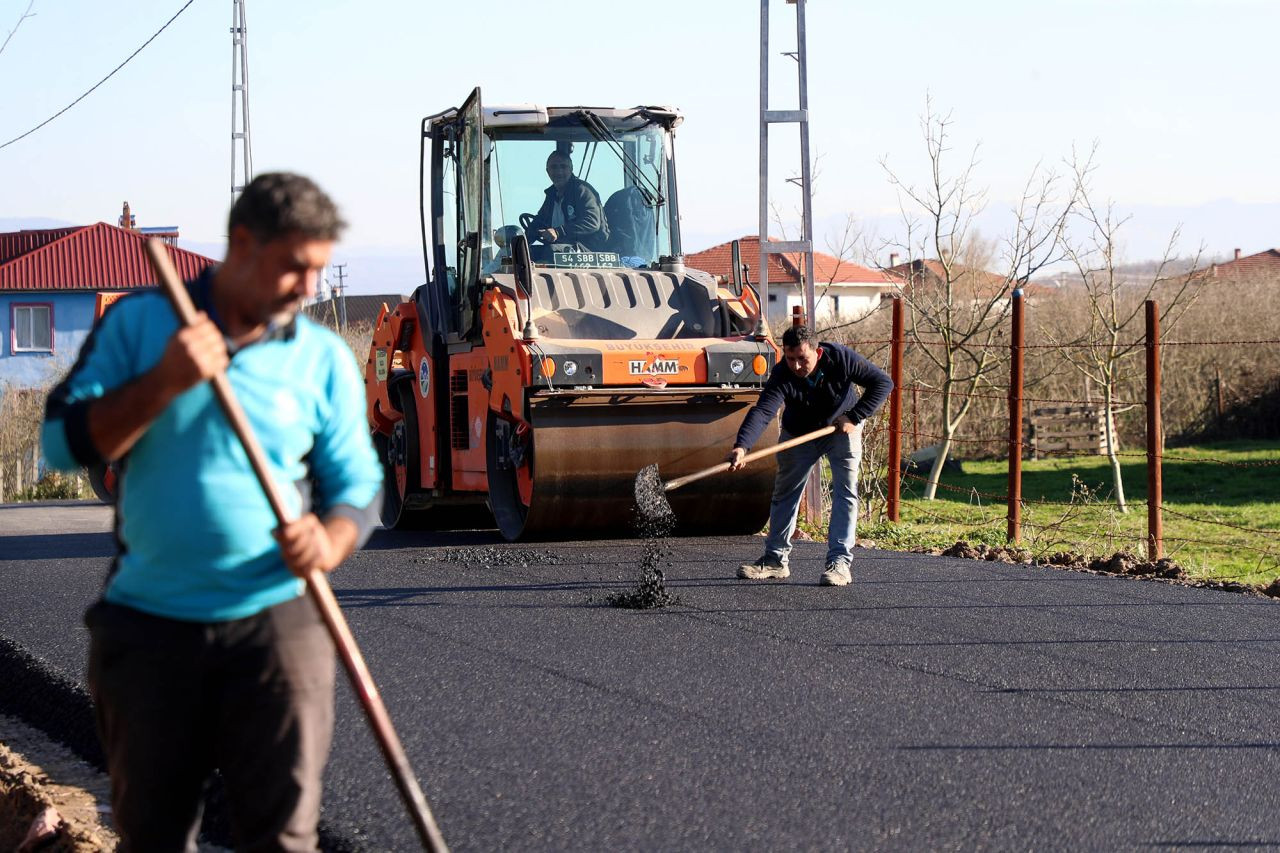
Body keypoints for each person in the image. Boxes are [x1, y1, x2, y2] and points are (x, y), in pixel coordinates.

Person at [42, 172, 382, 850]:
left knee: (284, 838)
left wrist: (332, 537)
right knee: (154, 835)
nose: (308, 289)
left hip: (278, 626)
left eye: (317, 270)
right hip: (150, 631)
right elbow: (62, 441)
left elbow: (360, 486)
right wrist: (164, 381)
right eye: (295, 267)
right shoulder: (141, 325)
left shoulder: (321, 360)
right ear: (242, 244)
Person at [728, 325, 892, 586]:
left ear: (817, 351)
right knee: (785, 493)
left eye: (802, 358)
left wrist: (855, 416)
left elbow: (883, 383)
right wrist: (742, 446)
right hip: (799, 433)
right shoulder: (783, 373)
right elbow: (763, 411)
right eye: (790, 358)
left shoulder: (840, 358)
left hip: (841, 428)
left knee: (845, 492)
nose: (796, 365)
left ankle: (839, 563)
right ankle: (774, 560)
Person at [525, 150, 609, 252]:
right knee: (527, 253)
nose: (559, 172)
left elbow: (592, 222)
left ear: (571, 169)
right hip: (564, 248)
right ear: (547, 171)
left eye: (563, 167)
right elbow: (539, 221)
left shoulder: (582, 190)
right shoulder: (552, 195)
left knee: (550, 251)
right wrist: (521, 240)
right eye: (554, 167)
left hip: (590, 250)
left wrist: (558, 232)